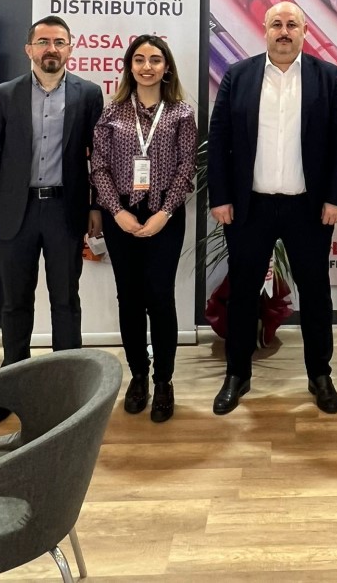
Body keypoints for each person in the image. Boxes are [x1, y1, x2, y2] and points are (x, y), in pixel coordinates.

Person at [207, 0, 337, 415]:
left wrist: (335, 198)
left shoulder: (328, 77)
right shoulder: (239, 75)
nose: (284, 31)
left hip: (308, 209)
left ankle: (320, 374)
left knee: (316, 293)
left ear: (305, 32)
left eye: (292, 24)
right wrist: (220, 197)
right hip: (249, 207)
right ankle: (237, 374)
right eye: (277, 24)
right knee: (242, 291)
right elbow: (219, 139)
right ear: (265, 29)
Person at [0, 15, 103, 424]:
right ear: (29, 48)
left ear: (70, 48)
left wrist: (96, 206)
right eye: (43, 41)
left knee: (66, 301)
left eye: (59, 42)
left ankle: (68, 386)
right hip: (16, 213)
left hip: (65, 211)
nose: (51, 49)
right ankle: (12, 387)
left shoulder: (88, 94)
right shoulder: (6, 94)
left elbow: (98, 157)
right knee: (15, 304)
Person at [90, 35, 197, 423]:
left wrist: (164, 213)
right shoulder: (112, 113)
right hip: (121, 217)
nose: (147, 66)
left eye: (155, 59)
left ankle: (164, 380)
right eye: (139, 59)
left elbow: (187, 168)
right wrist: (116, 211)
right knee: (130, 299)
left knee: (161, 298)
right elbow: (99, 166)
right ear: (129, 66)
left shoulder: (181, 113)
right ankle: (138, 377)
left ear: (166, 67)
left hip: (164, 217)